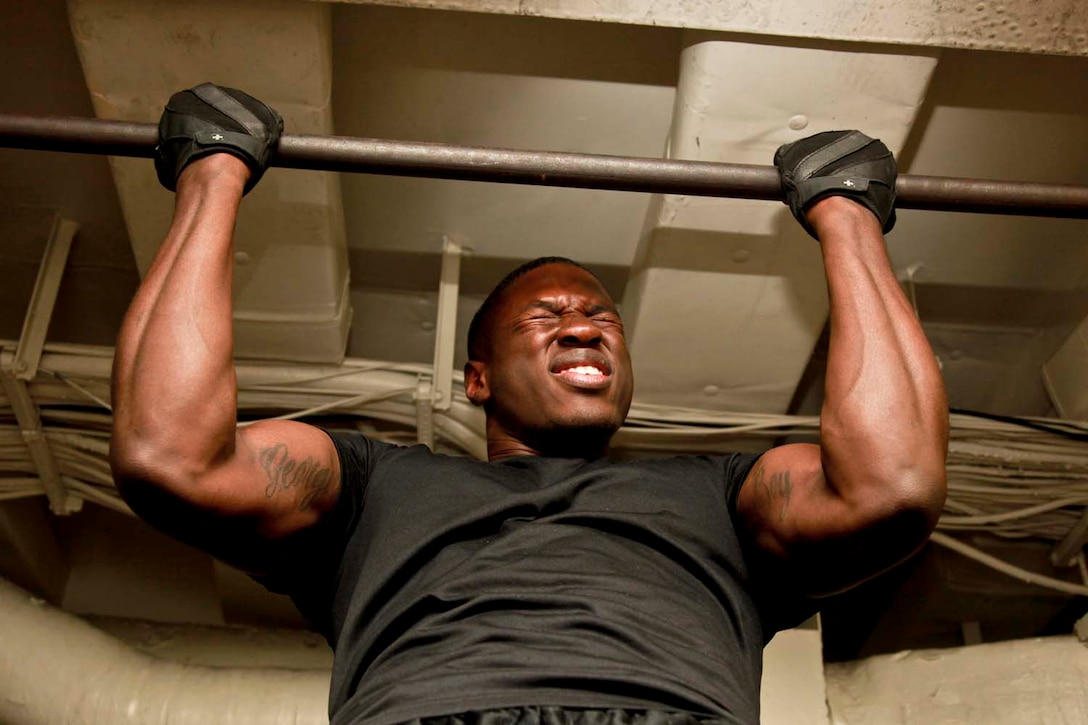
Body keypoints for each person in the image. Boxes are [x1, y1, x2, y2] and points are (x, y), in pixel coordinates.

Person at [110, 83, 949, 725]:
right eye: (547, 318)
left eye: (601, 320)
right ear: (476, 379)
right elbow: (168, 454)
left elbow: (894, 482)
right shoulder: (371, 485)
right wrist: (213, 174)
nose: (584, 330)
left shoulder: (721, 497)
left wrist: (847, 219)